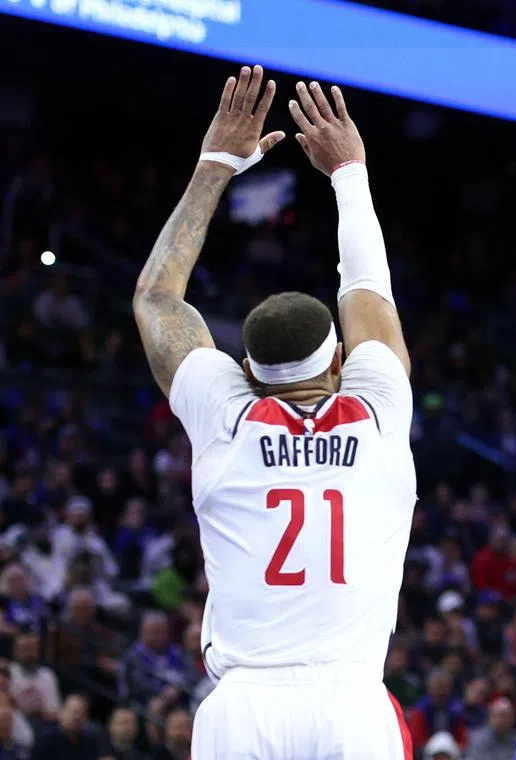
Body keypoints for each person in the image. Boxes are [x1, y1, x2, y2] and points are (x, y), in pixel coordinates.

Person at [132, 65, 416, 759]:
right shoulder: (377, 407)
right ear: (339, 361)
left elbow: (157, 300)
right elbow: (367, 288)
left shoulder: (225, 412)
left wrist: (214, 164)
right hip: (350, 701)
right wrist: (349, 173)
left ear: (248, 371)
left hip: (244, 706)